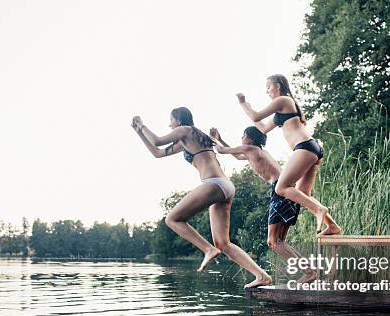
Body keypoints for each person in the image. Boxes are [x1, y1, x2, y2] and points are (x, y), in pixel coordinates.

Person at [131, 107, 272, 288]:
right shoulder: (191, 137)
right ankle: (262, 276)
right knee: (224, 243)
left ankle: (207, 249)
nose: (169, 124)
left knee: (172, 219)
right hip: (225, 186)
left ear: (179, 120)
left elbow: (158, 141)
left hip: (213, 184)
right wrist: (139, 133)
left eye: (170, 120)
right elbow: (157, 153)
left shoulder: (185, 130)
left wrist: (142, 125)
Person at [237, 74, 341, 238]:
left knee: (281, 188)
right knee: (302, 194)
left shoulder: (283, 100)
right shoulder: (283, 107)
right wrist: (248, 109)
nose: (267, 92)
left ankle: (319, 209)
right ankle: (332, 225)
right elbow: (262, 127)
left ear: (277, 86)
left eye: (268, 88)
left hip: (304, 148)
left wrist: (243, 103)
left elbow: (256, 116)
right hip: (311, 149)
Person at [209, 126, 318, 283]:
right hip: (288, 190)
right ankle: (310, 271)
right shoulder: (256, 151)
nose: (241, 138)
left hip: (280, 191)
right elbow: (237, 156)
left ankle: (308, 273)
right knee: (279, 241)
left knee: (273, 242)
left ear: (250, 138)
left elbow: (222, 150)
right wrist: (220, 138)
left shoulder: (249, 148)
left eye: (243, 135)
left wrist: (214, 138)